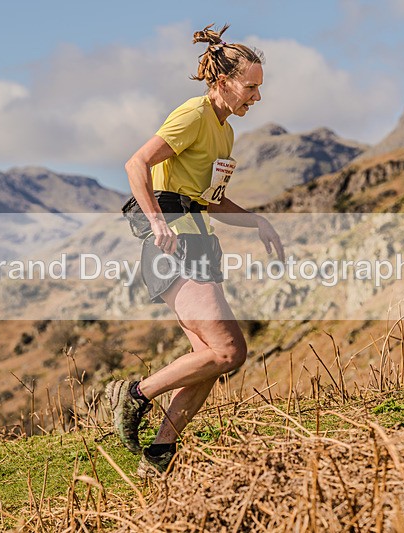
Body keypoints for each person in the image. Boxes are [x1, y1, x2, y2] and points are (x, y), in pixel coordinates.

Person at [106, 23, 284, 478]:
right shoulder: (193, 113)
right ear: (223, 82)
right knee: (228, 351)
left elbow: (212, 199)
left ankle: (160, 454)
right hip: (174, 236)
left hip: (199, 232)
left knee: (207, 360)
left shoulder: (225, 132)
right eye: (251, 88)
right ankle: (134, 395)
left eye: (259, 89)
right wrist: (156, 221)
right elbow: (136, 163)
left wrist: (258, 221)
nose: (256, 99)